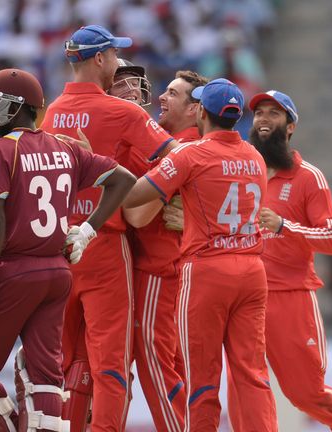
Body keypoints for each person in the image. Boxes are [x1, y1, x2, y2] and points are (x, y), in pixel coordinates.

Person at [0, 68, 136, 432]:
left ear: (15, 106)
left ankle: (8, 425)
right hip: (58, 273)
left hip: (16, 271)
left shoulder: (1, 148)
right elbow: (124, 180)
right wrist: (87, 230)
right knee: (45, 376)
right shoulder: (65, 147)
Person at [39, 24, 180, 431]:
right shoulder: (122, 111)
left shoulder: (51, 113)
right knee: (111, 365)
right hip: (103, 243)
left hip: (56, 247)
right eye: (115, 56)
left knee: (64, 361)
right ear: (99, 59)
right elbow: (181, 159)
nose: (118, 64)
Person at [122, 78, 278, 431]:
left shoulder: (191, 154)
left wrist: (101, 164)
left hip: (207, 270)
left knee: (203, 379)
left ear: (202, 112)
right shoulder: (254, 156)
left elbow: (133, 197)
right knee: (252, 375)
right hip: (253, 271)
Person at [227, 90, 332, 432]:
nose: (263, 119)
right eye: (259, 112)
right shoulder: (244, 171)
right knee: (242, 386)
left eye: (274, 114)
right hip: (246, 294)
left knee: (305, 393)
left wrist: (284, 226)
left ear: (290, 127)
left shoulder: (309, 177)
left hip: (291, 297)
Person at [114, 66, 209, 432]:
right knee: (176, 364)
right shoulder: (187, 145)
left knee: (154, 359)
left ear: (194, 110)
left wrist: (107, 172)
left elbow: (138, 216)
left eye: (173, 93)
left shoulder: (181, 149)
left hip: (159, 268)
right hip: (178, 270)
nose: (161, 98)